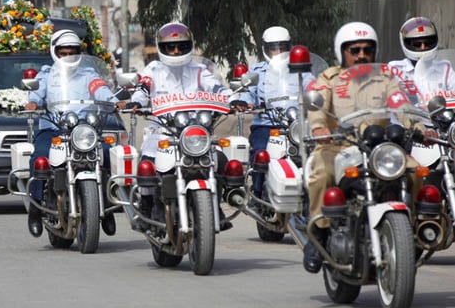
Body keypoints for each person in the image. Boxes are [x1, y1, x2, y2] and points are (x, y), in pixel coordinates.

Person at [304, 21, 431, 273]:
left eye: (367, 50)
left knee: (416, 170)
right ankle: (318, 232)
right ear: (343, 52)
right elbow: (316, 107)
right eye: (355, 50)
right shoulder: (329, 78)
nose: (361, 55)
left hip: (379, 145)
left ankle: (412, 226)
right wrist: (320, 128)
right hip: (338, 145)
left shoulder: (386, 78)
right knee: (321, 174)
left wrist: (418, 126)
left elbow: (401, 104)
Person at [127, 21, 244, 229]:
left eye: (181, 46)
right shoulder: (153, 69)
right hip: (163, 133)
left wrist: (231, 99)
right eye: (170, 47)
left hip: (194, 133)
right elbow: (143, 88)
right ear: (161, 48)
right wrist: (137, 101)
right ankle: (148, 207)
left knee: (220, 159)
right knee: (147, 164)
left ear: (189, 46)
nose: (175, 50)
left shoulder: (199, 70)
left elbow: (216, 87)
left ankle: (214, 206)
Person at [24, 29, 124, 237]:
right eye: (64, 52)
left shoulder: (89, 74)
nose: (69, 56)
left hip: (84, 131)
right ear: (55, 52)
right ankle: (35, 208)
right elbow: (36, 92)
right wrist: (33, 102)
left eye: (73, 51)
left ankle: (104, 205)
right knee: (41, 158)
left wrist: (115, 103)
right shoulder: (46, 74)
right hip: (54, 129)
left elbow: (101, 91)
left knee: (107, 154)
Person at [245, 26, 315, 201]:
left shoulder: (300, 69)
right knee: (261, 152)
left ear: (289, 47)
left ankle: (312, 195)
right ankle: (257, 192)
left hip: (295, 125)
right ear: (265, 49)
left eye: (282, 48)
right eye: (273, 48)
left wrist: (318, 97)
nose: (278, 52)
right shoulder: (257, 71)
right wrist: (243, 101)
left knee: (314, 153)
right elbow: (246, 89)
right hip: (265, 124)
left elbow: (313, 86)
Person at [388, 16, 455, 107]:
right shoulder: (395, 69)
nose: (423, 47)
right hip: (407, 119)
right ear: (405, 43)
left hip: (441, 118)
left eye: (427, 43)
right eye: (417, 44)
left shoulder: (444, 68)